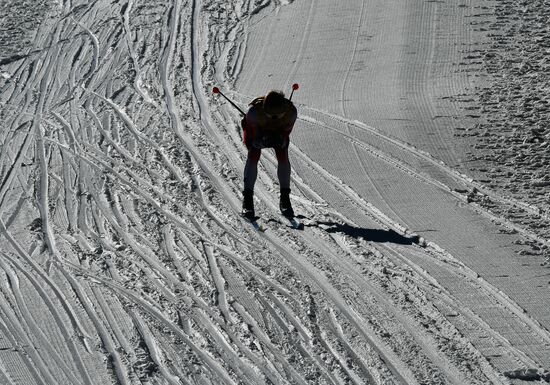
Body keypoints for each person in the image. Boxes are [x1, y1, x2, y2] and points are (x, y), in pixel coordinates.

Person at [240, 90, 298, 220]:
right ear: (264, 110)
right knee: (253, 155)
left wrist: (280, 138)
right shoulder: (254, 114)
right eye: (270, 115)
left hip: (278, 131)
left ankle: (285, 198)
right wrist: (259, 140)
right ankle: (247, 200)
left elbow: (285, 133)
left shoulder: (291, 113)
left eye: (278, 115)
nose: (274, 119)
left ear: (284, 111)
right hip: (256, 131)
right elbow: (252, 137)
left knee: (283, 155)